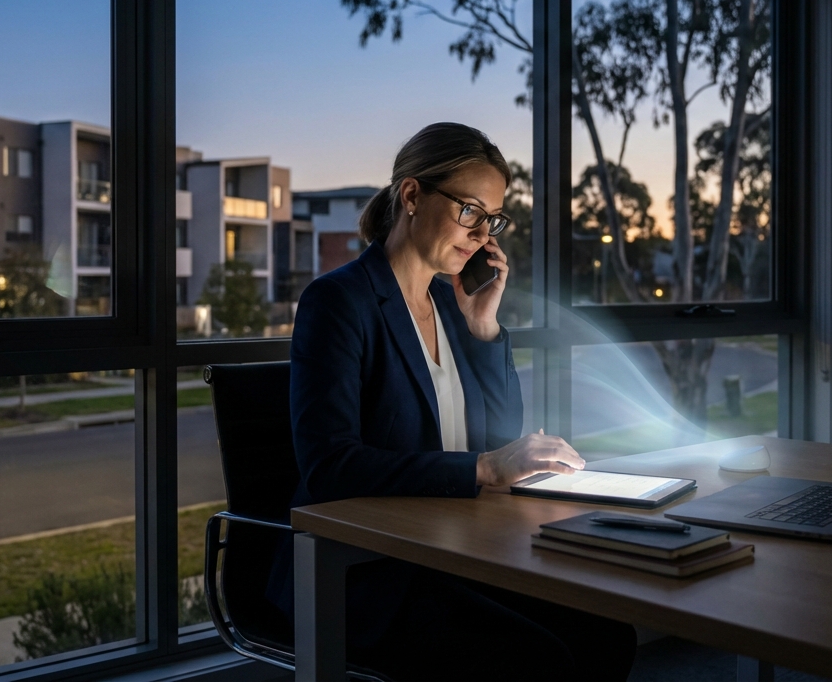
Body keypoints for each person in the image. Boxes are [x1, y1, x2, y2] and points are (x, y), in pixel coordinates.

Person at [270, 123, 636, 681]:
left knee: (608, 633)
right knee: (537, 660)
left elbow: (498, 438)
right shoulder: (339, 301)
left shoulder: (452, 301)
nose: (481, 232)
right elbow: (329, 466)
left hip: (455, 548)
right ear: (412, 196)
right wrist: (485, 468)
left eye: (492, 218)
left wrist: (484, 328)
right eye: (469, 210)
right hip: (371, 568)